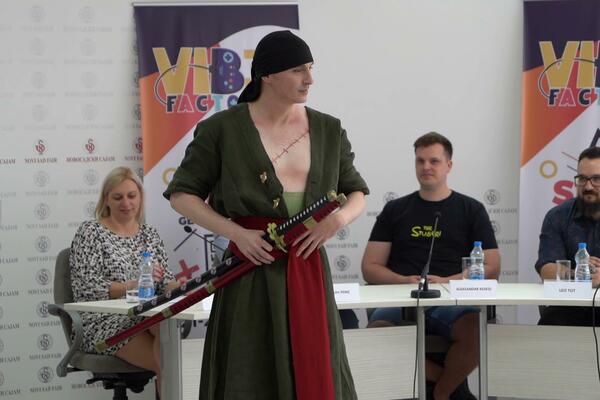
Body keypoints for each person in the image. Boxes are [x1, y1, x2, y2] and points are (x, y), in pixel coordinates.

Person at [164, 30, 368, 400]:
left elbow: (356, 192)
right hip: (249, 271)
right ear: (267, 75)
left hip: (308, 268)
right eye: (297, 70)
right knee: (249, 371)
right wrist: (236, 233)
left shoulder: (329, 129)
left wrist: (336, 221)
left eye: (310, 68)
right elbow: (181, 195)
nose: (309, 78)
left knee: (315, 367)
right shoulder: (221, 130)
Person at [361, 132, 500, 400]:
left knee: (476, 329)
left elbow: (491, 266)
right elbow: (370, 266)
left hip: (451, 299)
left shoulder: (471, 209)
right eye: (420, 161)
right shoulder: (395, 209)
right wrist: (403, 281)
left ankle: (440, 394)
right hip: (401, 297)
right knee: (377, 335)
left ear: (449, 165)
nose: (426, 167)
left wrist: (448, 281)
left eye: (434, 161)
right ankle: (447, 386)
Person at [70, 166, 180, 393]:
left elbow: (165, 280)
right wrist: (132, 286)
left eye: (132, 196)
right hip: (103, 321)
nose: (126, 203)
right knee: (167, 363)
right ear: (106, 200)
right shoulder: (91, 232)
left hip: (145, 316)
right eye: (118, 197)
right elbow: (87, 287)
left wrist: (178, 287)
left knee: (166, 331)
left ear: (140, 198)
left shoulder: (150, 234)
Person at [536, 146, 600, 325]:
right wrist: (579, 274)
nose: (588, 186)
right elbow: (546, 269)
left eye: (596, 179)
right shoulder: (557, 216)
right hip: (568, 309)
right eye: (582, 179)